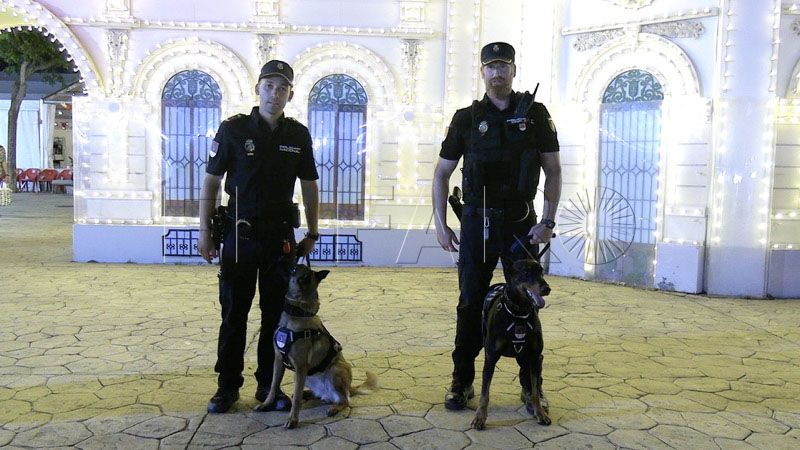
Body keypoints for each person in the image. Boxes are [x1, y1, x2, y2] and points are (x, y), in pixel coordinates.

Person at [432, 42, 562, 410]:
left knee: (527, 303)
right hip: (478, 224)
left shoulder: (535, 115)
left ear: (514, 70)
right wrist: (441, 225)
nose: (497, 72)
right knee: (469, 304)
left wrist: (548, 222)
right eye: (490, 66)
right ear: (482, 72)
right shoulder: (466, 118)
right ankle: (462, 382)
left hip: (521, 225)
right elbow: (441, 174)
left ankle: (531, 386)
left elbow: (553, 171)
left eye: (504, 65)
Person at [198, 60, 321, 414]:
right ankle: (227, 387)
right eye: (269, 86)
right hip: (239, 236)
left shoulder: (297, 135)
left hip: (279, 239)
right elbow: (211, 182)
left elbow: (309, 186)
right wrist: (204, 231)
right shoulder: (233, 130)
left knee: (274, 318)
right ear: (258, 89)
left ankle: (269, 386)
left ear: (290, 95)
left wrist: (313, 231)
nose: (274, 94)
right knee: (233, 315)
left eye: (282, 88)